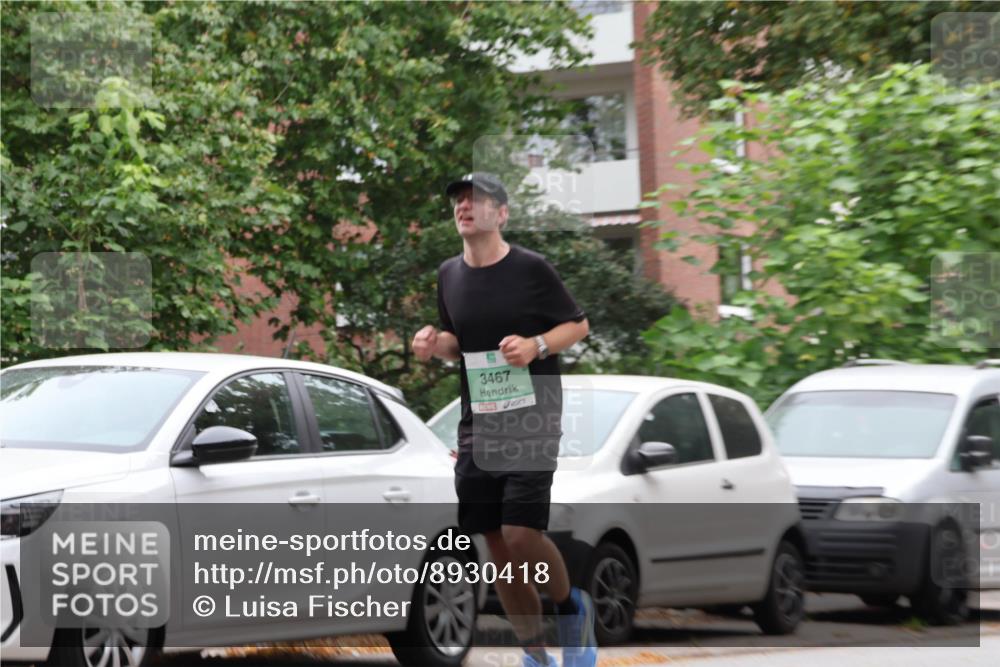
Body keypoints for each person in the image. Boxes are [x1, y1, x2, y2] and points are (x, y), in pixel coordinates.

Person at [411, 172, 596, 667]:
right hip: (480, 424)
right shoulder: (449, 275)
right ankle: (535, 654)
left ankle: (571, 609)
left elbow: (578, 325)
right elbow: (458, 343)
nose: (464, 206)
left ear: (502, 214)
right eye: (458, 199)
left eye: (476, 199)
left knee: (520, 534)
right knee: (497, 545)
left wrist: (537, 346)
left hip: (533, 418)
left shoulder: (531, 269)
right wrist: (434, 344)